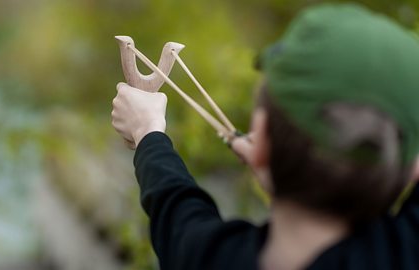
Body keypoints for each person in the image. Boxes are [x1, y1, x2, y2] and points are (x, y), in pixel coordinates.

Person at [111, 3, 419, 270]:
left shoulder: (206, 258)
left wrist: (147, 131)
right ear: (411, 171)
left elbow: (173, 201)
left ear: (261, 148)